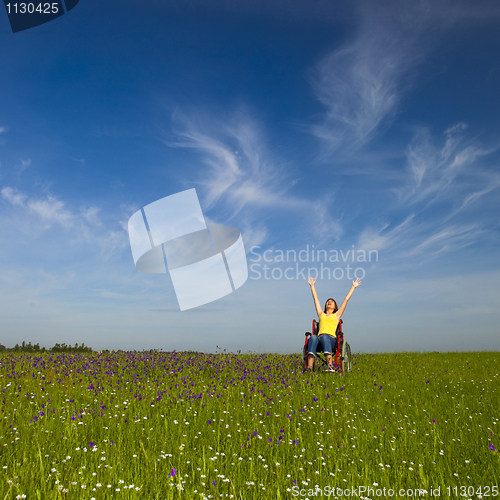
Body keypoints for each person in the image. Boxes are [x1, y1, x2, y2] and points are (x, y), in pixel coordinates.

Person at [306, 276, 361, 372]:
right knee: (313, 337)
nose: (329, 302)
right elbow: (316, 299)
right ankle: (310, 368)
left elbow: (346, 300)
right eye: (328, 301)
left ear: (335, 306)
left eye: (332, 301)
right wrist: (312, 286)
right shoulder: (321, 314)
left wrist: (353, 287)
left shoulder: (336, 315)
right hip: (319, 339)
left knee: (324, 337)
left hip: (331, 340)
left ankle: (330, 366)